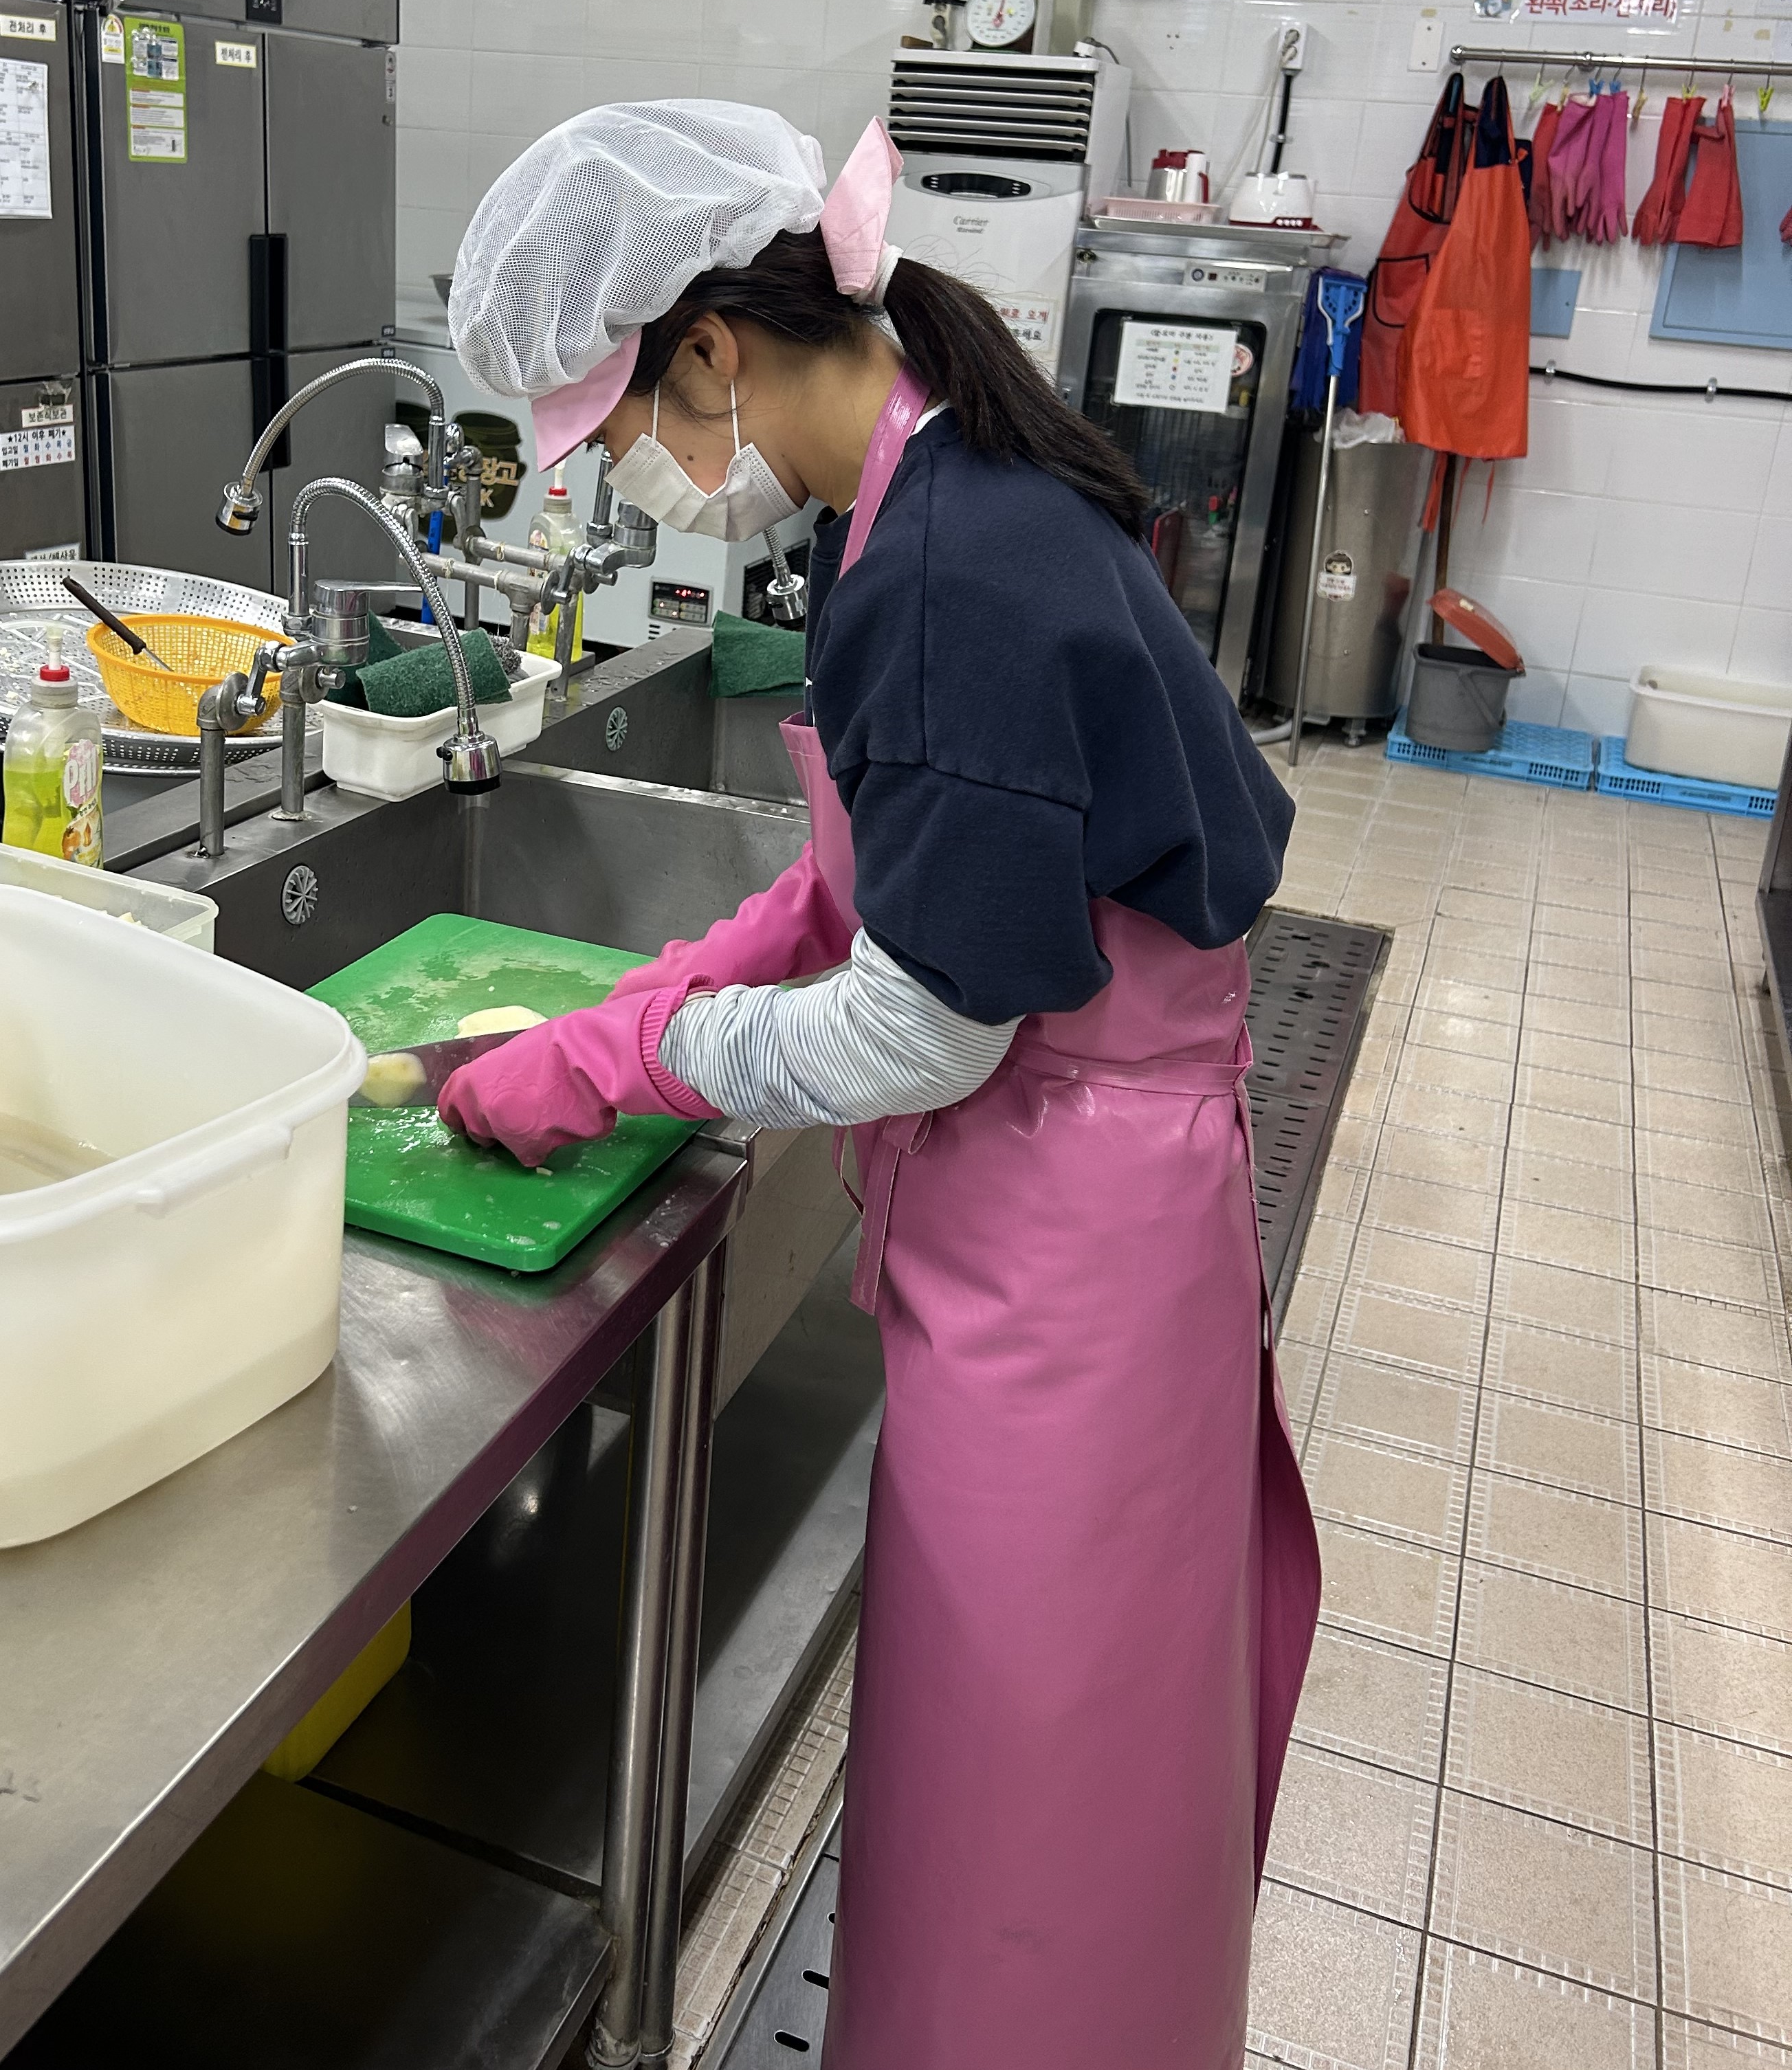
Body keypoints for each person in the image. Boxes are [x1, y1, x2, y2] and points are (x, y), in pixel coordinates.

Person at [441, 102, 1321, 2069]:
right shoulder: (928, 488)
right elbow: (879, 878)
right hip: (1071, 1206)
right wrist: (675, 982)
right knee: (1006, 1777)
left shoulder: (951, 568)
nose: (641, 486)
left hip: (1074, 1258)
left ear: (711, 350)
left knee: (1041, 1810)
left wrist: (644, 1057)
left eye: (628, 435)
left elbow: (925, 1027)